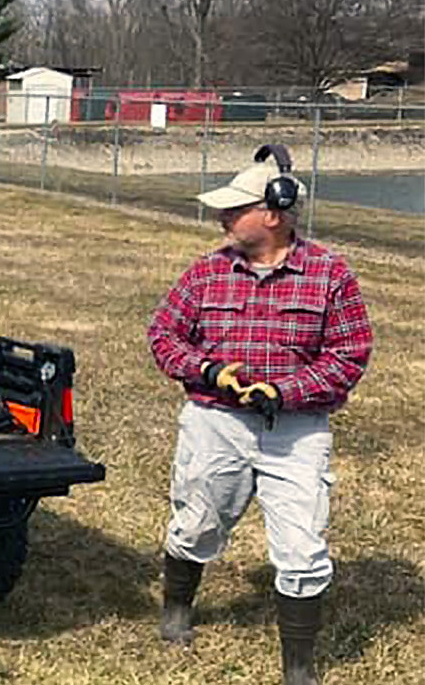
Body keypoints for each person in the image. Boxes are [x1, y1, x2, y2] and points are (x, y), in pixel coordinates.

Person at [147, 146, 372, 685]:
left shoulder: (329, 275)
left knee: (302, 550)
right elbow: (164, 335)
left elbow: (349, 354)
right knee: (196, 524)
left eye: (234, 209)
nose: (221, 218)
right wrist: (208, 370)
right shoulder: (206, 272)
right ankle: (177, 606)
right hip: (214, 422)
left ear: (274, 211)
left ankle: (298, 667)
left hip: (295, 432)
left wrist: (285, 391)